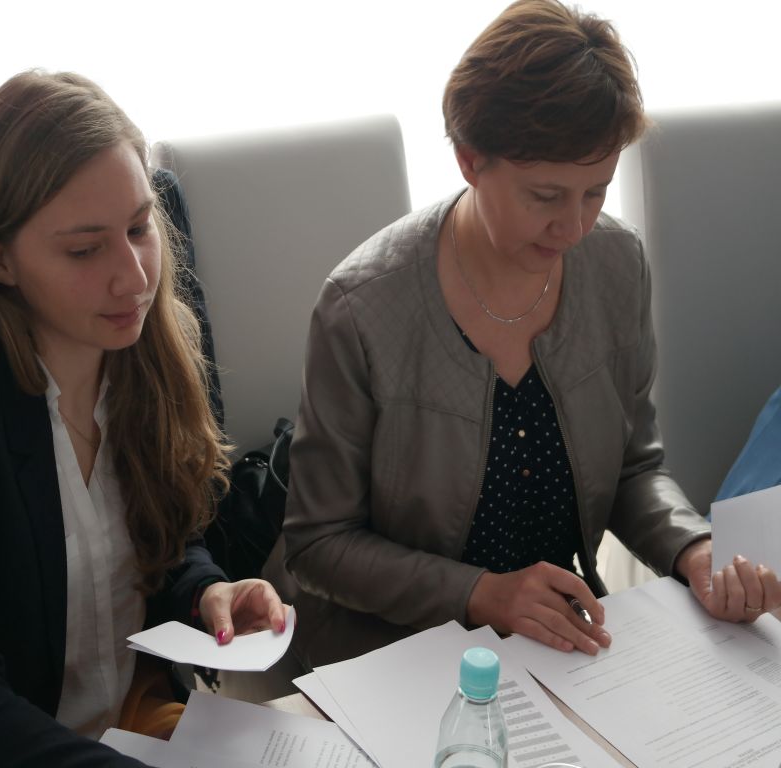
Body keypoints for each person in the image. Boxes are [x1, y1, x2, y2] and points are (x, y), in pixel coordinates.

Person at [282, 0, 780, 669]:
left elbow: (634, 468)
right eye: (545, 197)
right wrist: (480, 593)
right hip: (394, 656)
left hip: (557, 644)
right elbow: (318, 545)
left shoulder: (616, 263)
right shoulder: (359, 308)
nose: (573, 228)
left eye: (596, 192)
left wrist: (694, 548)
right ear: (469, 160)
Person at [0, 70, 286, 767]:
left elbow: (157, 541)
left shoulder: (145, 352)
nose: (134, 277)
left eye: (139, 228)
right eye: (85, 249)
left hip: (127, 720)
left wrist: (204, 590)